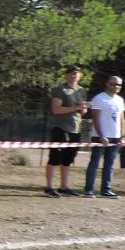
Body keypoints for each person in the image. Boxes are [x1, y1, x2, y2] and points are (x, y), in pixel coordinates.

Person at [44, 65, 88, 197]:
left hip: (76, 128)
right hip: (60, 127)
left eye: (76, 73)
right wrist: (75, 108)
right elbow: (56, 109)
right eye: (71, 73)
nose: (74, 75)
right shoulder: (60, 90)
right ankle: (49, 187)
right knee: (55, 157)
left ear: (80, 75)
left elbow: (82, 111)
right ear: (66, 75)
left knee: (68, 158)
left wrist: (83, 109)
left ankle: (64, 186)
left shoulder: (81, 90)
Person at [85, 75, 124, 198]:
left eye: (118, 85)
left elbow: (122, 119)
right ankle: (89, 190)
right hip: (100, 136)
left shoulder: (120, 100)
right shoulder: (99, 98)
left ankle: (106, 190)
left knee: (110, 164)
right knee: (95, 163)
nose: (116, 87)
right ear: (107, 84)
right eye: (113, 84)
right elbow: (95, 118)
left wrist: (122, 136)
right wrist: (102, 136)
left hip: (115, 136)